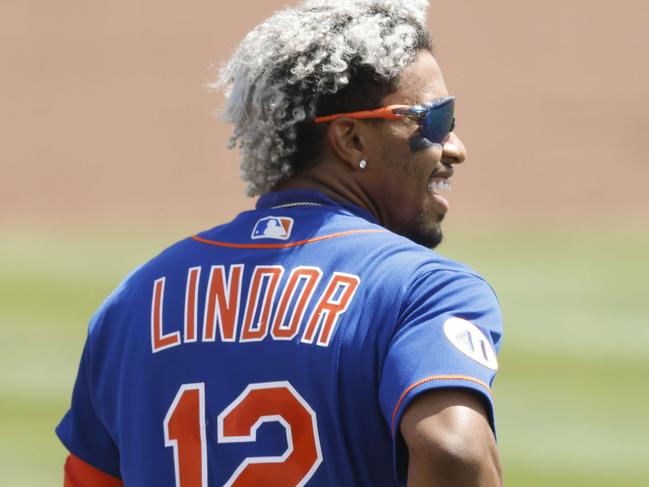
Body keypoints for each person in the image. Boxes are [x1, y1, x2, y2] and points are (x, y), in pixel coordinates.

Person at [56, 0, 504, 485]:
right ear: (351, 139)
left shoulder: (132, 302)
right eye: (435, 121)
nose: (456, 148)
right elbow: (455, 450)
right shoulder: (423, 291)